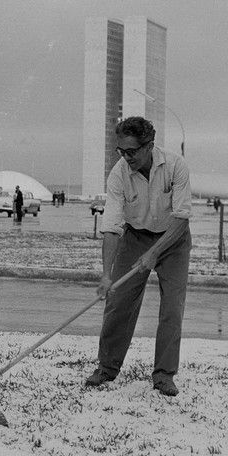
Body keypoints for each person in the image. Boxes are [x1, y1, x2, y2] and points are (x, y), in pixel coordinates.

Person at [86, 116, 192, 397]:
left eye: (131, 151)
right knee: (118, 302)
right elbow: (111, 226)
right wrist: (107, 275)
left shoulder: (175, 166)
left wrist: (155, 252)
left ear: (149, 146)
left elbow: (181, 217)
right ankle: (107, 368)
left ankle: (164, 375)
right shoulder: (119, 174)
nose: (125, 157)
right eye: (120, 151)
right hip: (135, 236)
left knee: (171, 309)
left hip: (173, 238)